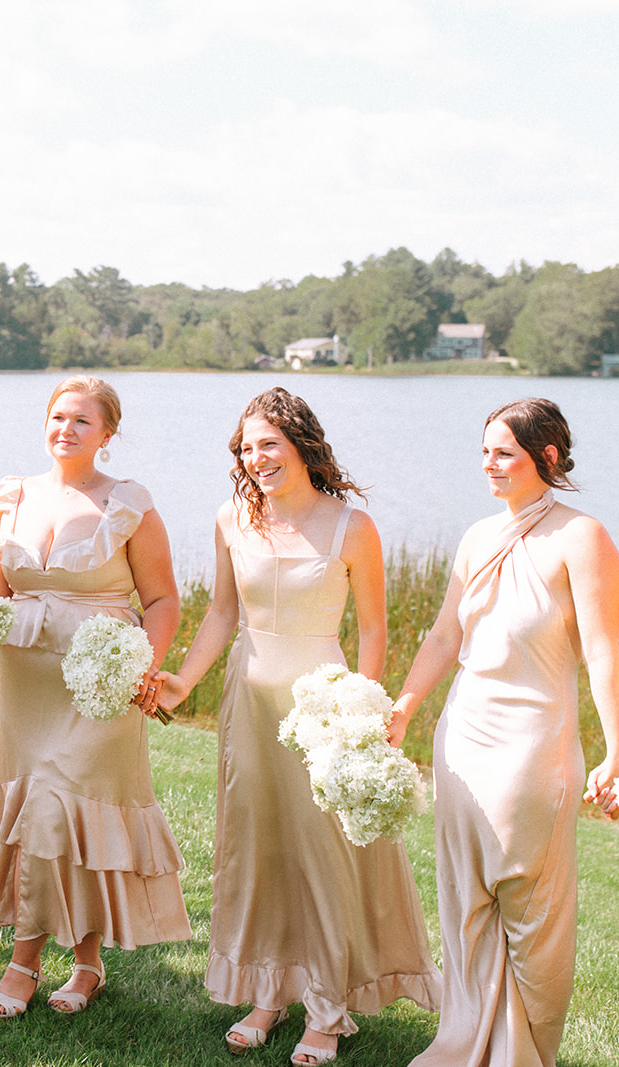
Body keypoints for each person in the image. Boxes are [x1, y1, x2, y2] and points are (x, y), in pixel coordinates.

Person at [153, 388, 441, 1064]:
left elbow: (374, 628)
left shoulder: (351, 528)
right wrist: (183, 679)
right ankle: (268, 989)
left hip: (323, 705)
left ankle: (328, 1005)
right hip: (249, 705)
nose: (257, 459)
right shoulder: (231, 518)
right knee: (260, 846)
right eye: (247, 448)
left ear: (301, 445)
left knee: (323, 851)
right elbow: (222, 614)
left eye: (269, 445)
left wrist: (363, 712)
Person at [387, 397, 619, 1067]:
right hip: (462, 736)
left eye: (504, 453)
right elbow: (444, 634)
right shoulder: (475, 535)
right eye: (484, 450)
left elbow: (605, 654)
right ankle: (464, 1041)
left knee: (531, 913)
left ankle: (525, 1054)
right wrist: (406, 705)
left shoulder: (581, 537)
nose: (488, 464)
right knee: (465, 901)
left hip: (533, 748)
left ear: (547, 458)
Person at [0, 375, 191, 1019]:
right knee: (48, 811)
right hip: (29, 684)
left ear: (107, 434)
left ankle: (24, 964)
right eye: (57, 416)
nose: (65, 430)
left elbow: (162, 599)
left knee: (70, 805)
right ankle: (87, 963)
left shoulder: (128, 504)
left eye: (82, 422)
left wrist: (142, 667)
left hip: (100, 682)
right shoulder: (8, 497)